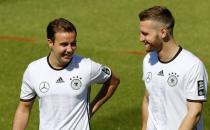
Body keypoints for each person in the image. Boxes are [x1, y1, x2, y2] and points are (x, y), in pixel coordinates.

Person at [12, 18, 120, 130]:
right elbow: (24, 108)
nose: (69, 49)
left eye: (73, 44)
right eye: (64, 44)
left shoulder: (86, 67)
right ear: (50, 43)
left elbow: (113, 81)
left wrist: (91, 109)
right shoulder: (34, 70)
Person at [139, 6, 208, 130]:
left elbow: (194, 113)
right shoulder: (148, 61)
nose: (140, 39)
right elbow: (148, 98)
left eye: (145, 34)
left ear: (163, 33)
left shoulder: (192, 66)